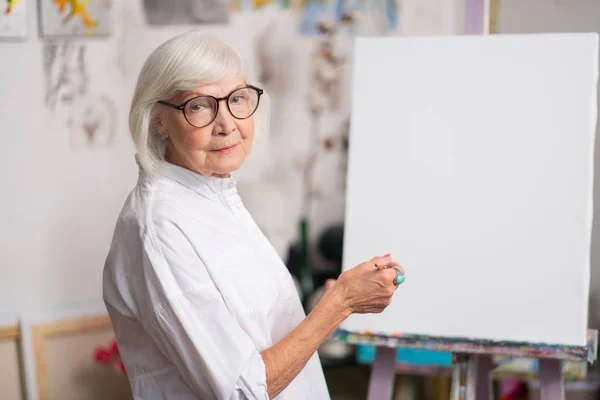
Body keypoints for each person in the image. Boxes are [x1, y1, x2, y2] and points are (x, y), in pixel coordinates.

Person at [103, 30, 405, 400]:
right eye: (199, 105)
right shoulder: (160, 229)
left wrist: (325, 312)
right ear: (158, 121)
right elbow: (242, 390)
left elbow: (257, 338)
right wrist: (338, 305)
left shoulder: (214, 195)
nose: (227, 123)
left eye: (236, 99)